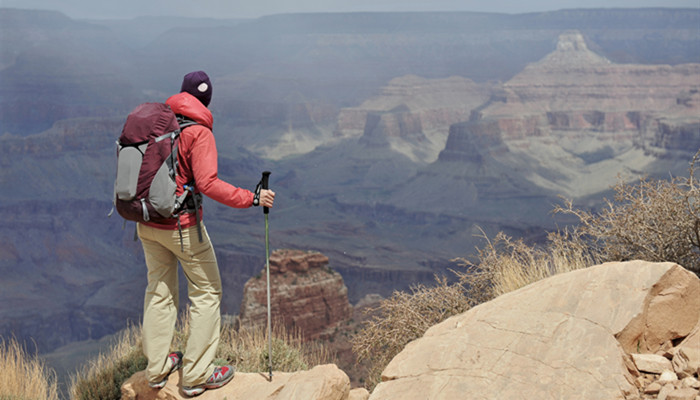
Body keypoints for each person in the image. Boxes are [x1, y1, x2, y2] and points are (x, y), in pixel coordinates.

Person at [137, 70, 275, 397]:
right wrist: (252, 198)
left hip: (145, 222)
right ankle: (197, 375)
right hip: (182, 228)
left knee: (158, 290)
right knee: (207, 292)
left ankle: (156, 371)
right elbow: (208, 184)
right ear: (206, 101)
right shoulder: (199, 132)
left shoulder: (156, 123)